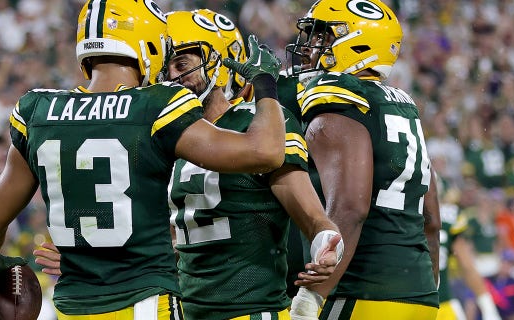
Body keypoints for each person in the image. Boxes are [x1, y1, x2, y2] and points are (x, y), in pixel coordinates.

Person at [0, 0, 287, 319]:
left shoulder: (37, 112)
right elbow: (266, 152)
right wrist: (265, 85)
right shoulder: (156, 106)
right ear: (149, 43)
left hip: (72, 308)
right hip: (146, 305)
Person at [34, 9, 344, 320]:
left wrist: (325, 245)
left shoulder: (255, 126)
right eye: (164, 66)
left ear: (221, 66)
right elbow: (174, 238)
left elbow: (313, 217)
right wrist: (98, 257)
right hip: (181, 310)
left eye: (182, 64)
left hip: (249, 311)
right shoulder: (159, 133)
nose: (170, 76)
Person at [286, 1, 442, 319]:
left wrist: (311, 297)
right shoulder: (402, 105)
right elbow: (431, 220)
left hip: (358, 292)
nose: (309, 47)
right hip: (418, 296)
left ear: (356, 43)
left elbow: (351, 208)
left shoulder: (338, 96)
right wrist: (424, 290)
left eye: (321, 37)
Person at [437, 191, 501, 320]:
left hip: (409, 298)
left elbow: (467, 264)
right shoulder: (449, 216)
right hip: (438, 301)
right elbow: (466, 265)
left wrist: (488, 307)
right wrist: (488, 307)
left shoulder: (396, 214)